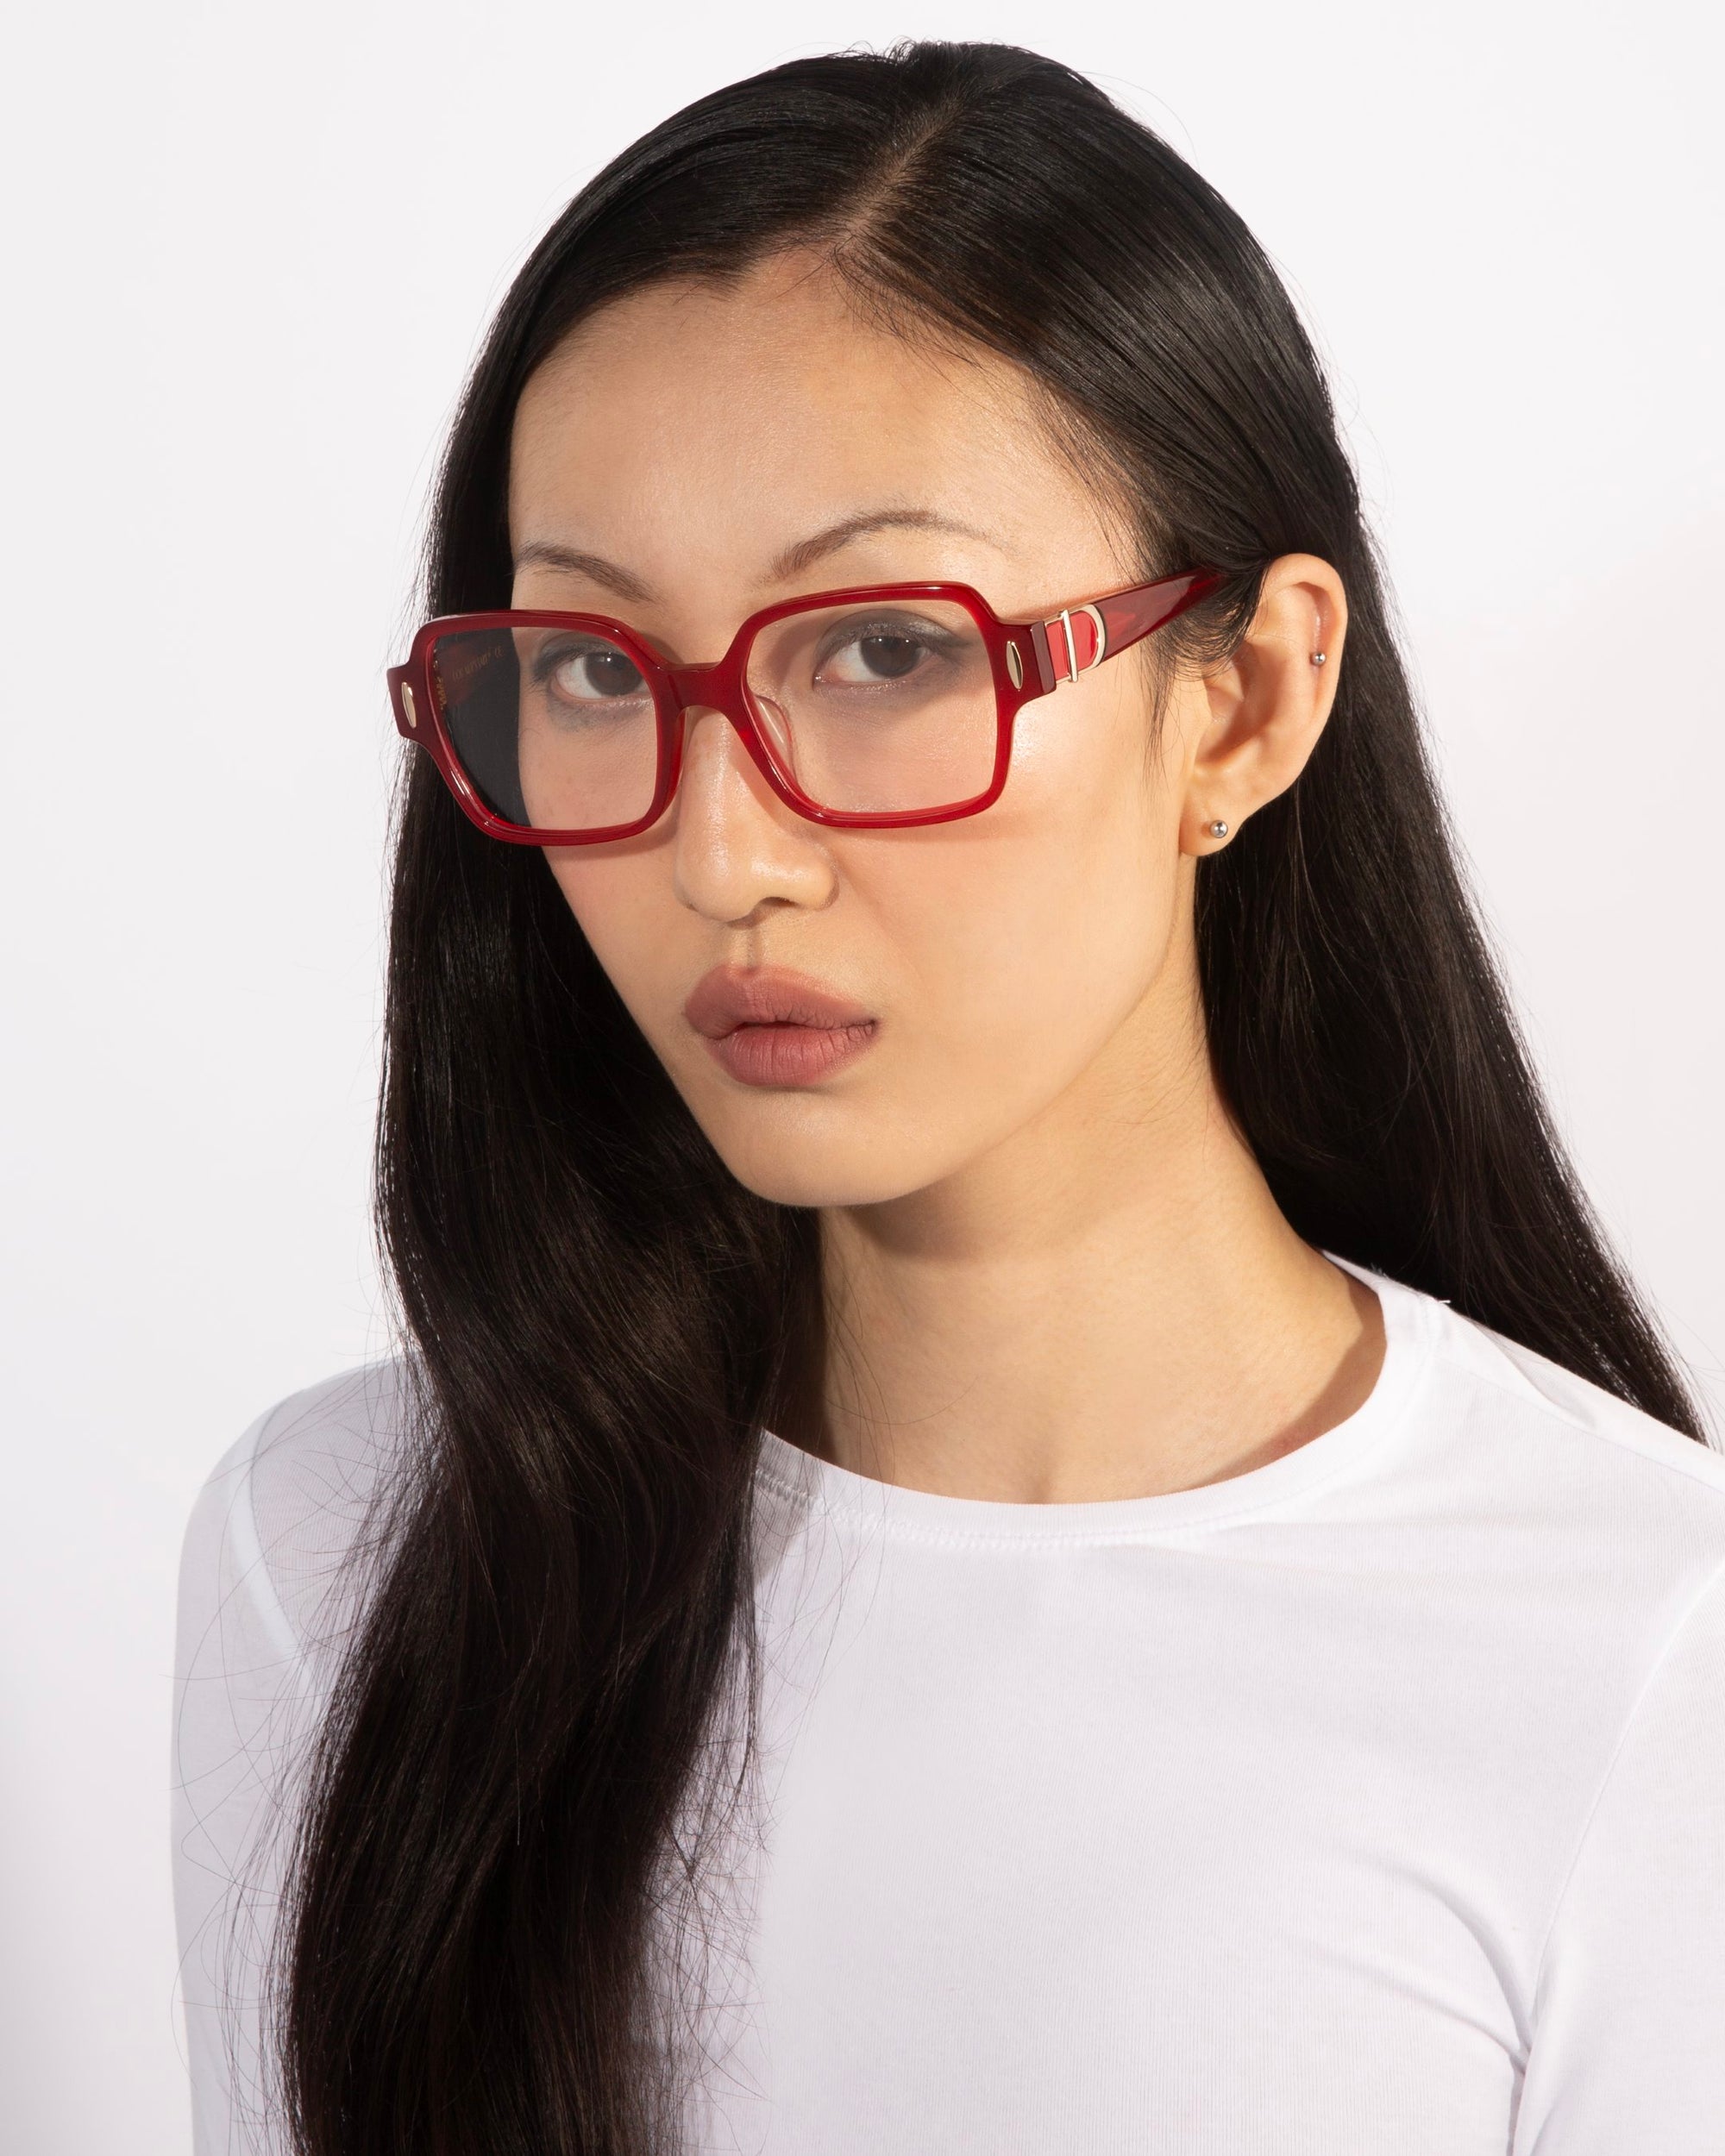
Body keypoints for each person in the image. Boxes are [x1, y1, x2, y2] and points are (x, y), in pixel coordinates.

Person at [172, 40, 1725, 2156]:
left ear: (1247, 699)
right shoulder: (344, 1556)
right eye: (596, 671)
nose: (725, 855)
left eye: (887, 653)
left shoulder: (1641, 1662)